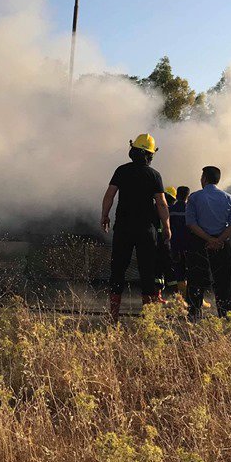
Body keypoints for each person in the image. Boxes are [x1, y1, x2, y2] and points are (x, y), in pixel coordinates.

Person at [101, 134, 171, 322]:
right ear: (150, 155)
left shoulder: (121, 171)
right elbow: (162, 204)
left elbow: (109, 195)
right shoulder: (154, 175)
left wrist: (105, 215)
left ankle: (113, 316)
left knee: (118, 270)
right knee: (147, 271)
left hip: (123, 228)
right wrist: (166, 227)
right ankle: (148, 319)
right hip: (146, 230)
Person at [185, 166, 231, 320]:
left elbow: (191, 223)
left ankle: (193, 313)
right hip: (222, 245)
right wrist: (219, 240)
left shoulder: (195, 197)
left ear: (204, 179)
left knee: (196, 279)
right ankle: (227, 315)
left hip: (199, 243)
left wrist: (208, 239)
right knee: (224, 281)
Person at [165, 186, 192, 304]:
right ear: (188, 196)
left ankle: (182, 299)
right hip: (190, 246)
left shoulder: (170, 209)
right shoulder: (191, 209)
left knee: (179, 273)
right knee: (191, 271)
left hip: (175, 245)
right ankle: (194, 299)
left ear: (177, 196)